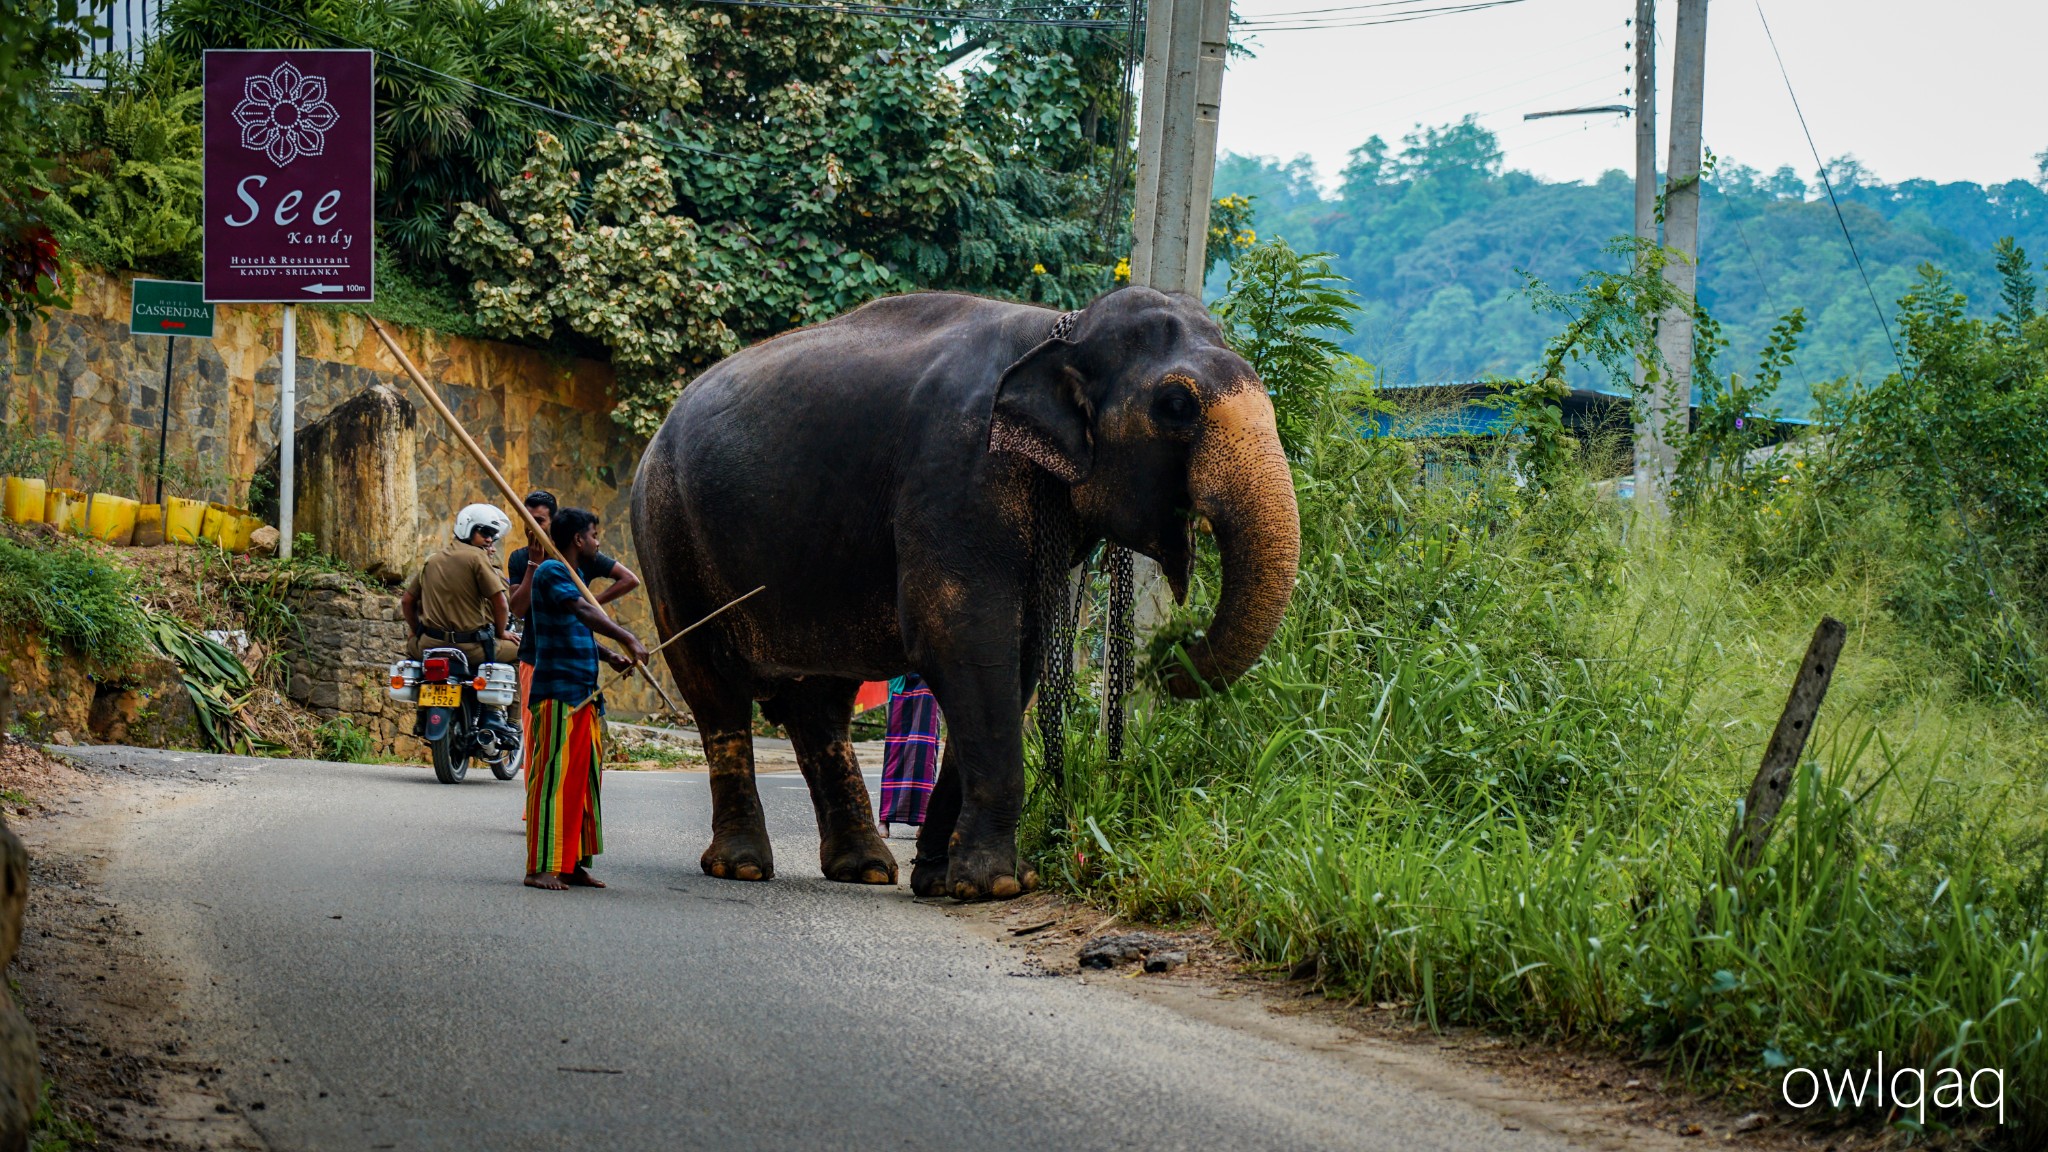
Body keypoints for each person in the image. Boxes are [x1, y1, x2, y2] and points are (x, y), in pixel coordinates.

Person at [524, 506, 649, 891]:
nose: (598, 542)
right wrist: (625, 636)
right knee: (554, 783)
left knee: (582, 784)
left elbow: (577, 627)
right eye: (595, 535)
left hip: (584, 696)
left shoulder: (574, 574)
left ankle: (572, 863)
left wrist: (609, 656)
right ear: (579, 539)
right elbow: (579, 609)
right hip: (557, 696)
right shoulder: (552, 571)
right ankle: (540, 867)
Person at [506, 490, 640, 760]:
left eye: (540, 521)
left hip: (578, 675)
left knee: (579, 758)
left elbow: (624, 582)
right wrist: (533, 564)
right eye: (527, 519)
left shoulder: (580, 564)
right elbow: (519, 609)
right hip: (540, 664)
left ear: (554, 524)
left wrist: (593, 609)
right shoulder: (532, 563)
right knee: (544, 752)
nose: (532, 527)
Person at [400, 503, 521, 750]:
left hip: (429, 646)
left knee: (412, 654)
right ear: (468, 529)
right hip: (471, 648)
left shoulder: (432, 560)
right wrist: (501, 632)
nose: (489, 539)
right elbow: (500, 601)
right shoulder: (477, 558)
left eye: (492, 535)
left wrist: (416, 631)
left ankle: (423, 712)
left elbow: (407, 600)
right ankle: (506, 719)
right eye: (484, 532)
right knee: (520, 652)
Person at [878, 673, 940, 840]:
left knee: (924, 755)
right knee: (894, 753)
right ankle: (884, 818)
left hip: (929, 685)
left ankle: (923, 821)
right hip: (901, 683)